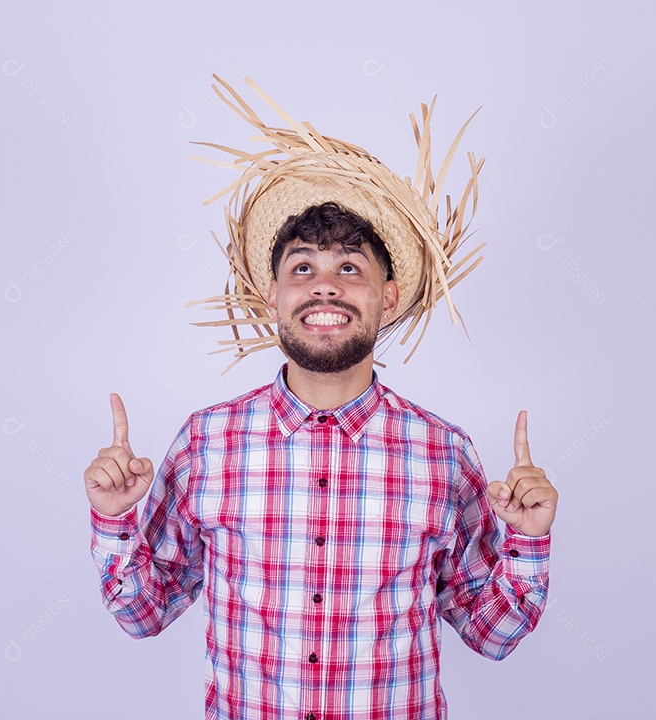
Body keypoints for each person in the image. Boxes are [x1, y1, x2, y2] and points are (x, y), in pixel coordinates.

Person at [85, 78, 558, 720]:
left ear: (388, 297)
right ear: (273, 295)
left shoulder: (443, 453)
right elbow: (143, 614)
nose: (324, 289)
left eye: (350, 268)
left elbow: (490, 633)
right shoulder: (207, 443)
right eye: (302, 268)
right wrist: (114, 521)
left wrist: (527, 542)